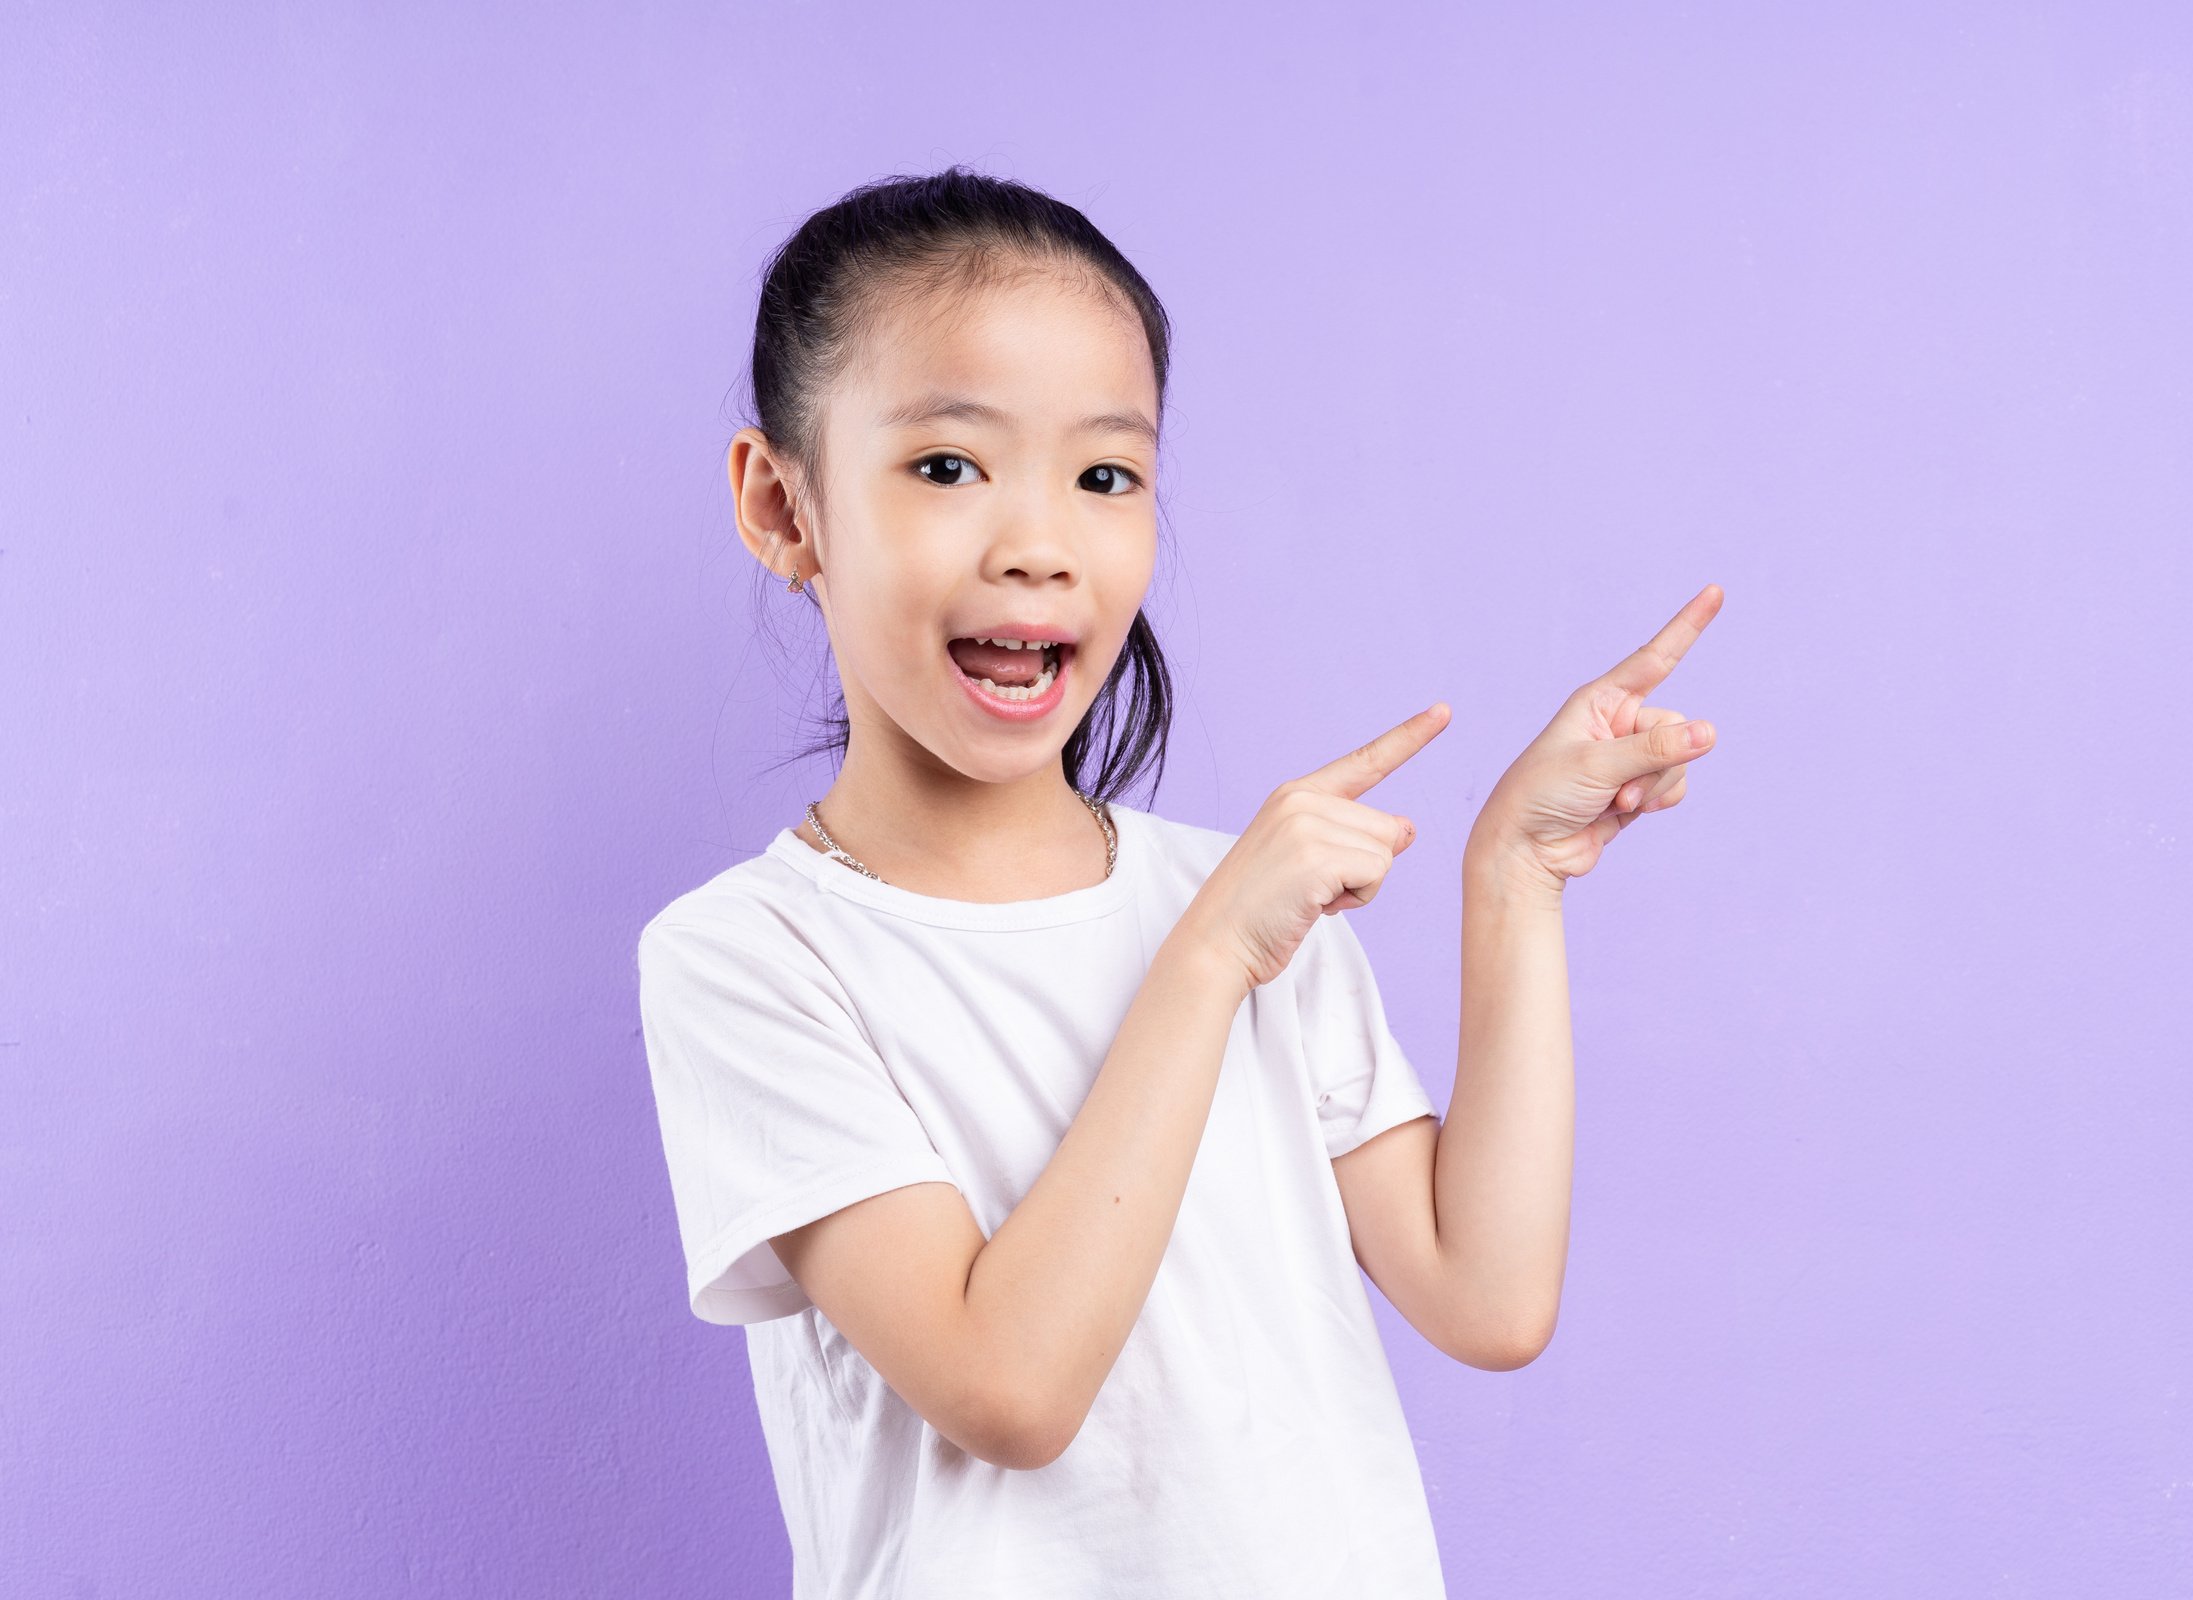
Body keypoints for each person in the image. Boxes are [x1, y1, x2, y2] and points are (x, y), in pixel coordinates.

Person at [634, 165, 1722, 1598]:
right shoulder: (751, 957)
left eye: (1106, 475)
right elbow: (1007, 1388)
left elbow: (1488, 1295)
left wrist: (1515, 877)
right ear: (784, 507)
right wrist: (1205, 960)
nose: (1038, 543)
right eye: (948, 465)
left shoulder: (1245, 900)